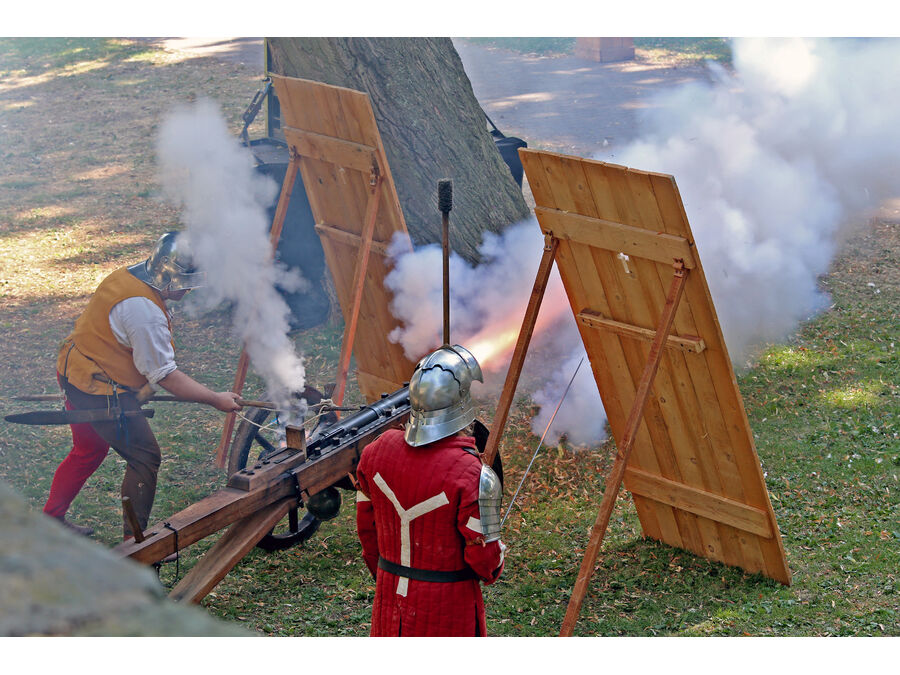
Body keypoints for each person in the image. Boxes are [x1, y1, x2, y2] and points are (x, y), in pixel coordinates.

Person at [43, 232, 242, 541]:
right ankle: (134, 546)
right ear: (167, 274)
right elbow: (166, 376)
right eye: (185, 282)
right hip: (96, 389)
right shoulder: (143, 312)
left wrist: (139, 389)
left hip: (75, 369)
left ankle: (51, 518)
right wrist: (215, 399)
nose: (189, 289)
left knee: (88, 449)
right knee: (145, 457)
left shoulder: (132, 277)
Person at [355, 344, 505, 636]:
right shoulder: (471, 474)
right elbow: (484, 561)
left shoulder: (375, 452)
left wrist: (387, 573)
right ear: (461, 404)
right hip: (449, 612)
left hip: (390, 602)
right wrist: (497, 560)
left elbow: (367, 531)